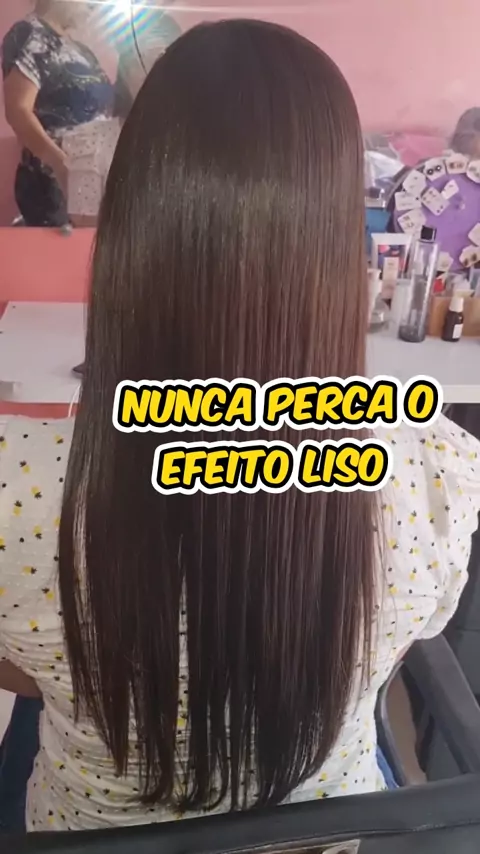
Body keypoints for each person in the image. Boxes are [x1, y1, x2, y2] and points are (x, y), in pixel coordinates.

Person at [0, 18, 480, 832]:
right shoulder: (438, 472)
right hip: (322, 836)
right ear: (343, 242)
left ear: (132, 226)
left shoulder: (16, 488)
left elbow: (21, 670)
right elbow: (389, 657)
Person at [1, 1, 114, 227]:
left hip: (95, 179)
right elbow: (18, 111)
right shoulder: (30, 34)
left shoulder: (81, 50)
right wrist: (61, 166)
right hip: (55, 185)